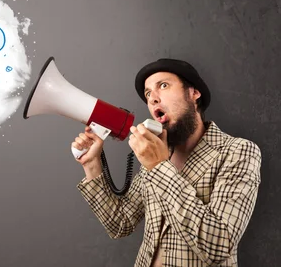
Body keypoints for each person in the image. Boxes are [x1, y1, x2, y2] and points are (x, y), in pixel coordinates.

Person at [73, 58, 262, 267]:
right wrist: (92, 165)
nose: (153, 98)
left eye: (163, 85)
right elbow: (120, 224)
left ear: (194, 93)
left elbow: (217, 246)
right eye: (147, 93)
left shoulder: (238, 152)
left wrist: (157, 166)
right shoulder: (158, 154)